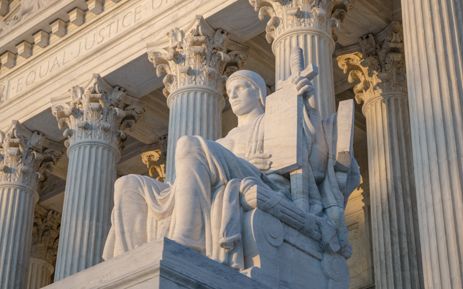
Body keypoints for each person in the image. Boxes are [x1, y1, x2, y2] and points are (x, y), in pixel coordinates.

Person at [103, 69, 359, 268]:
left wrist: (305, 109)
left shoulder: (273, 123)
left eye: (239, 88)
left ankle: (187, 238)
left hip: (264, 181)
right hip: (228, 178)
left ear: (258, 92)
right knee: (128, 185)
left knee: (189, 144)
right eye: (229, 91)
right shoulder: (223, 142)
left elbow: (311, 163)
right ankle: (131, 263)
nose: (232, 95)